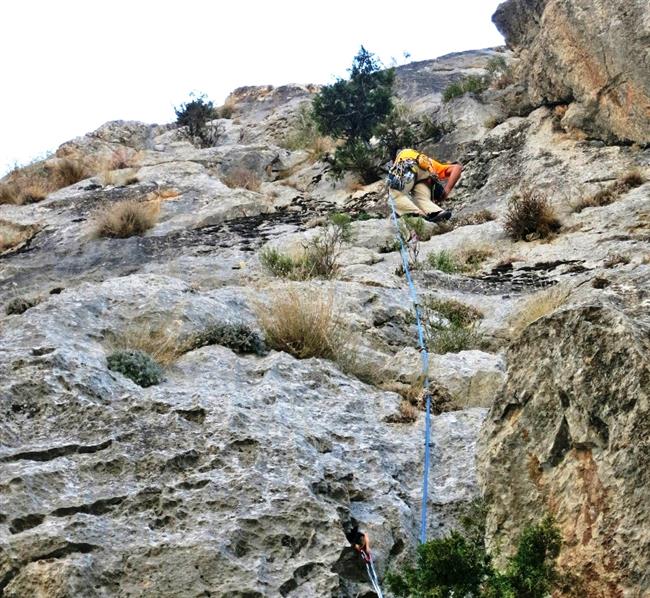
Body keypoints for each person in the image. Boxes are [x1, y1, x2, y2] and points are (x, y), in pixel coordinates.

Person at [389, 148, 463, 222]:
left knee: (396, 193)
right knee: (421, 198)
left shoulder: (403, 155)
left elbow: (457, 168)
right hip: (426, 176)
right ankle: (436, 212)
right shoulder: (430, 163)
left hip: (408, 166)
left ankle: (417, 215)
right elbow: (457, 168)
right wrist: (446, 191)